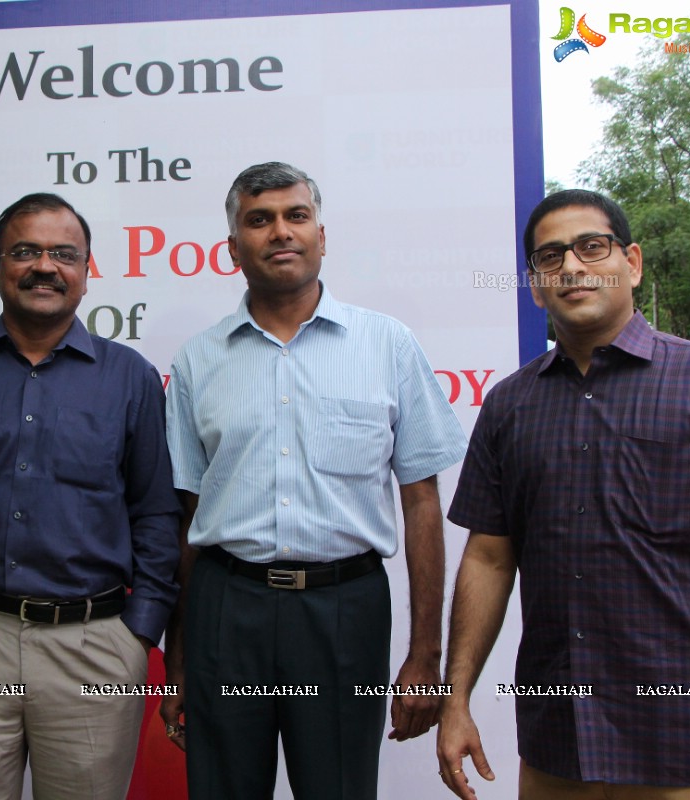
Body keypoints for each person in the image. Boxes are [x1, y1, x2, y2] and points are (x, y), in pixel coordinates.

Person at [437, 189, 690, 799]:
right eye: (550, 257)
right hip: (558, 740)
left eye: (591, 247)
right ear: (535, 283)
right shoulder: (510, 405)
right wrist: (456, 698)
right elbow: (489, 557)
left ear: (632, 262)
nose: (571, 266)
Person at [160, 162, 467, 799]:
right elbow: (186, 517)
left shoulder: (388, 345)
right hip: (225, 606)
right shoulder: (197, 361)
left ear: (321, 237)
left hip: (343, 610)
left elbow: (421, 505)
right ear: (232, 247)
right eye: (259, 219)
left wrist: (425, 655)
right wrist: (180, 657)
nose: (280, 232)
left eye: (296, 216)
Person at [0, 192, 180, 800]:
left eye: (63, 254)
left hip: (96, 646)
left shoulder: (130, 378)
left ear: (86, 271)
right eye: (24, 252)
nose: (44, 266)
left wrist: (139, 632)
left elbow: (155, 513)